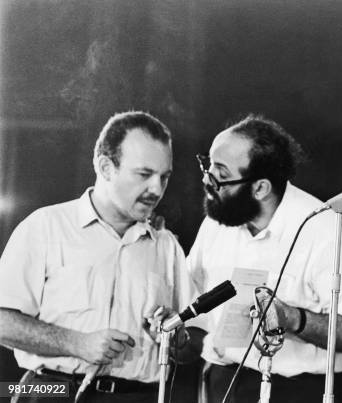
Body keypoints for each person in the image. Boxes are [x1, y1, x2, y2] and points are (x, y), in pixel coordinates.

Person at [0, 111, 204, 402]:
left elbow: (191, 349)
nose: (157, 189)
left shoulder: (166, 245)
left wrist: (175, 337)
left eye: (164, 177)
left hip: (138, 397)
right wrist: (76, 343)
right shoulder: (45, 227)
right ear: (106, 167)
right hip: (51, 391)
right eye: (144, 174)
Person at [186, 114, 342, 403]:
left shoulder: (322, 227)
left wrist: (291, 317)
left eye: (221, 175)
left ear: (260, 188)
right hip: (219, 384)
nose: (206, 180)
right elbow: (194, 309)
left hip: (291, 392)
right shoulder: (217, 220)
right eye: (207, 165)